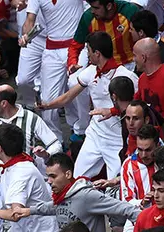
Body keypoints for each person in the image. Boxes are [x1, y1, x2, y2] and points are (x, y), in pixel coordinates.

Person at [15, 153, 140, 232]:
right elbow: (54, 206)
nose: (49, 181)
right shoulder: (61, 197)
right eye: (48, 177)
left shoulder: (87, 196)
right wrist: (28, 211)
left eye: (53, 176)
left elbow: (125, 208)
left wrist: (146, 224)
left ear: (68, 174)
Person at [40, 31, 139, 179]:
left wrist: (112, 111)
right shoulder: (90, 72)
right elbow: (68, 97)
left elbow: (137, 106)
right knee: (78, 179)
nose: (87, 55)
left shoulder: (127, 76)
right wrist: (47, 106)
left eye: (88, 50)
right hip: (95, 134)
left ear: (97, 53)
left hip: (117, 139)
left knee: (118, 184)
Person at [18, 0, 86, 140]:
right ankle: (55, 142)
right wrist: (26, 35)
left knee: (76, 85)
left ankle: (80, 131)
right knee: (47, 101)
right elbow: (30, 20)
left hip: (77, 47)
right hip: (51, 50)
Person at [0, 85, 60, 177]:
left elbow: (55, 144)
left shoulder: (32, 119)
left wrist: (46, 154)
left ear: (3, 103)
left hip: (25, 176)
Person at [69, 0, 140, 71]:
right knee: (74, 80)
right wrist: (72, 62)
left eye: (96, 8)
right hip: (101, 67)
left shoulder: (129, 11)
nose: (92, 11)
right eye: (91, 7)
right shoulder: (88, 17)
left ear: (109, 6)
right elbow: (75, 45)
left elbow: (144, 36)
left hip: (130, 64)